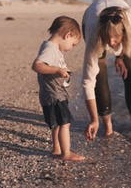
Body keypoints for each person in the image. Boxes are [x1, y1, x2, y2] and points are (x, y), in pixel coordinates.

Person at [81, 0, 131, 140]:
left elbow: (128, 39)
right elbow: (87, 82)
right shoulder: (94, 34)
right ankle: (108, 128)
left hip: (126, 27)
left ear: (123, 33)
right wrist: (94, 119)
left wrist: (120, 56)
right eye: (107, 38)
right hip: (92, 20)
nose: (110, 42)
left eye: (115, 37)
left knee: (130, 70)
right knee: (100, 76)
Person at [32, 16, 86, 161]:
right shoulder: (50, 48)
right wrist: (57, 70)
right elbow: (37, 65)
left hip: (52, 94)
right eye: (73, 44)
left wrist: (62, 72)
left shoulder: (50, 48)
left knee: (56, 123)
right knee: (65, 123)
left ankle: (57, 148)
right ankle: (66, 153)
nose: (71, 48)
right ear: (67, 35)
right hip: (54, 95)